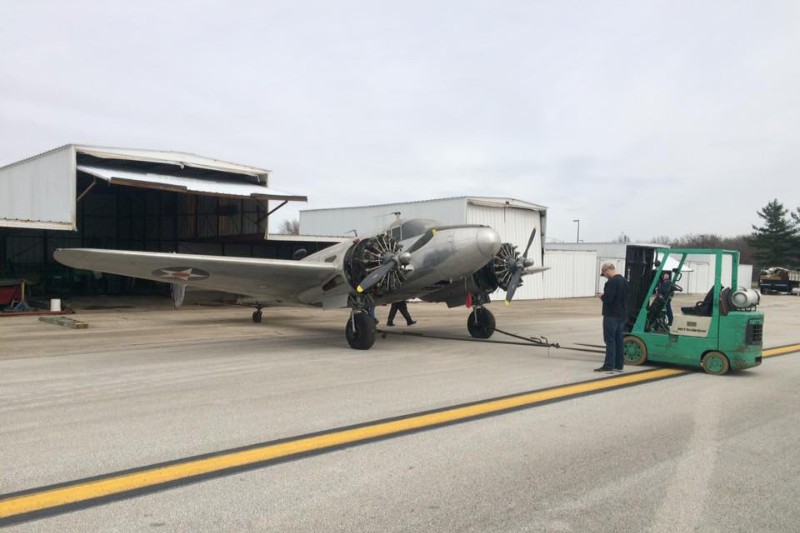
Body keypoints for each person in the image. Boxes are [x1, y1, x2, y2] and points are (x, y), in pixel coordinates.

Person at [596, 263, 629, 372]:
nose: (605, 276)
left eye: (604, 273)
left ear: (608, 270)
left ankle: (609, 365)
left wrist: (602, 296)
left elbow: (609, 299)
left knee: (609, 340)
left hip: (611, 315)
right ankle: (619, 365)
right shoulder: (624, 281)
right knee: (618, 340)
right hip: (621, 315)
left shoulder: (611, 282)